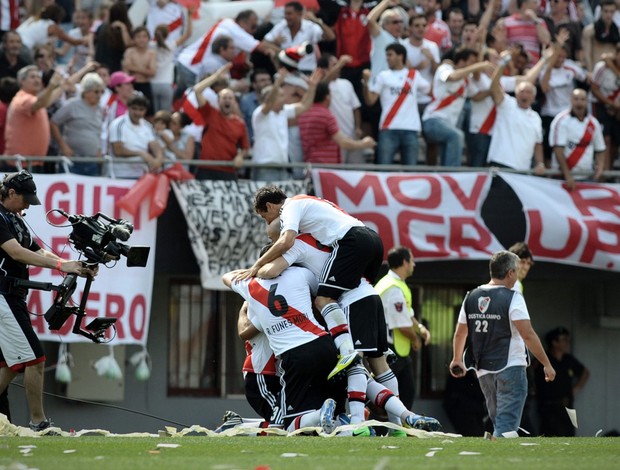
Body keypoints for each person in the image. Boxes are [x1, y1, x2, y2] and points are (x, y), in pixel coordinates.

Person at [0, 170, 95, 432]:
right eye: (26, 199)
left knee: (10, 364)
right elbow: (16, 253)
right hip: (3, 296)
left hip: (13, 296)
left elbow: (35, 250)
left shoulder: (14, 219)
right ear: (11, 194)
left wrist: (70, 265)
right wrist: (63, 264)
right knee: (35, 360)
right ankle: (39, 423)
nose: (29, 205)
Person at [222, 263, 341, 434]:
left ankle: (239, 424)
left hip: (282, 369)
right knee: (281, 425)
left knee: (288, 420)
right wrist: (243, 310)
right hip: (262, 374)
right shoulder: (260, 297)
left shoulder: (258, 291)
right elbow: (244, 332)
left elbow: (228, 275)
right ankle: (239, 426)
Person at [449, 250, 556, 439]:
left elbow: (460, 333)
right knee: (506, 427)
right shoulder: (513, 297)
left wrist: (457, 359)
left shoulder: (471, 296)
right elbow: (528, 334)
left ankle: (489, 456)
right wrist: (547, 364)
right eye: (516, 270)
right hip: (511, 366)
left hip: (483, 370)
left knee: (499, 421)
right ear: (510, 273)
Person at [374, 246, 431, 410]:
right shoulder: (394, 288)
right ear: (405, 262)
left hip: (396, 350)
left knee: (404, 392)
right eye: (412, 260)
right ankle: (387, 430)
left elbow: (407, 314)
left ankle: (399, 430)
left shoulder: (395, 284)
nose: (414, 264)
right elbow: (400, 324)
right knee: (394, 395)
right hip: (390, 349)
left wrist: (420, 328)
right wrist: (415, 338)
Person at [363, 43, 430, 166]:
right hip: (388, 128)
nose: (387, 58)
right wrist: (366, 83)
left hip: (411, 128)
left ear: (400, 56)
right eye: (386, 55)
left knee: (410, 172)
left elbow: (431, 92)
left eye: (390, 55)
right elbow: (370, 101)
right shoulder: (383, 76)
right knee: (384, 169)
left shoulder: (414, 75)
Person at [251, 68, 318, 182]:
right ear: (272, 98)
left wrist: (312, 87)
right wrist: (277, 84)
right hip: (265, 167)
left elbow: (304, 106)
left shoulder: (283, 112)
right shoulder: (260, 114)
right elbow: (268, 104)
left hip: (282, 167)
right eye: (281, 96)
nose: (285, 98)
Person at [486, 52, 546, 174]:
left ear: (533, 98)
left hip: (523, 169)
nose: (525, 95)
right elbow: (493, 89)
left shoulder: (536, 118)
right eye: (522, 91)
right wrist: (502, 65)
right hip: (500, 163)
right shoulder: (507, 103)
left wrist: (540, 163)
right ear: (516, 94)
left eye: (529, 92)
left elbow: (538, 144)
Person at [192, 63, 250, 180]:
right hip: (206, 169)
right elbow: (197, 90)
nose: (227, 100)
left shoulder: (240, 123)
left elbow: (245, 148)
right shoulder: (210, 113)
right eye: (224, 98)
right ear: (218, 101)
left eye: (230, 98)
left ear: (234, 102)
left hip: (228, 170)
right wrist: (216, 76)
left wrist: (240, 156)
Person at [298, 81, 376, 164]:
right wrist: (364, 144)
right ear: (327, 97)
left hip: (310, 164)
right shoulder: (326, 115)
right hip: (326, 167)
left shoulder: (304, 114)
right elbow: (343, 143)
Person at [4, 65, 64, 171]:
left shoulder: (34, 99)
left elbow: (52, 95)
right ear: (22, 81)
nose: (37, 80)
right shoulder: (23, 99)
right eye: (32, 77)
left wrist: (85, 69)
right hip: (20, 165)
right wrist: (51, 85)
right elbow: (40, 102)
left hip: (31, 163)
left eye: (38, 77)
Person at [535, 326, 590, 437]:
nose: (567, 343)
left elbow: (585, 372)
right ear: (554, 342)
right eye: (564, 340)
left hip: (566, 405)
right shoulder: (543, 359)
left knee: (568, 435)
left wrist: (577, 387)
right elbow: (530, 372)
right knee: (549, 436)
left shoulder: (568, 359)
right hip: (548, 406)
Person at [549, 88, 606, 190]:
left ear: (587, 101)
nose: (579, 102)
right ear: (570, 100)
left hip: (586, 176)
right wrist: (567, 175)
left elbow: (600, 148)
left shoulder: (593, 123)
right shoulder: (561, 120)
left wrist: (600, 166)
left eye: (582, 99)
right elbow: (558, 150)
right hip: (561, 177)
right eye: (576, 99)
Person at [50, 72, 105, 176]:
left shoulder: (100, 109)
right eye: (96, 91)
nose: (99, 95)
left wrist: (98, 149)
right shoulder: (72, 105)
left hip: (92, 161)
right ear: (86, 92)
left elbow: (97, 131)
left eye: (102, 92)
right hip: (72, 160)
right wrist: (63, 146)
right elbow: (54, 122)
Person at [264, 1, 335, 75]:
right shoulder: (281, 26)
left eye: (289, 14)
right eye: (285, 13)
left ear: (299, 14)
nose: (286, 17)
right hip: (287, 71)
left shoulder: (310, 27)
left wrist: (316, 20)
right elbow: (264, 43)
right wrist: (283, 50)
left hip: (307, 71)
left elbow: (331, 37)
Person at [108, 93, 164, 178]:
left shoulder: (147, 126)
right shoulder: (118, 124)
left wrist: (159, 159)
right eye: (134, 109)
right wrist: (142, 154)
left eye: (141, 110)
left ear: (145, 111)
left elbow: (154, 144)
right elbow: (118, 150)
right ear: (128, 108)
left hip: (142, 175)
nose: (137, 113)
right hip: (120, 175)